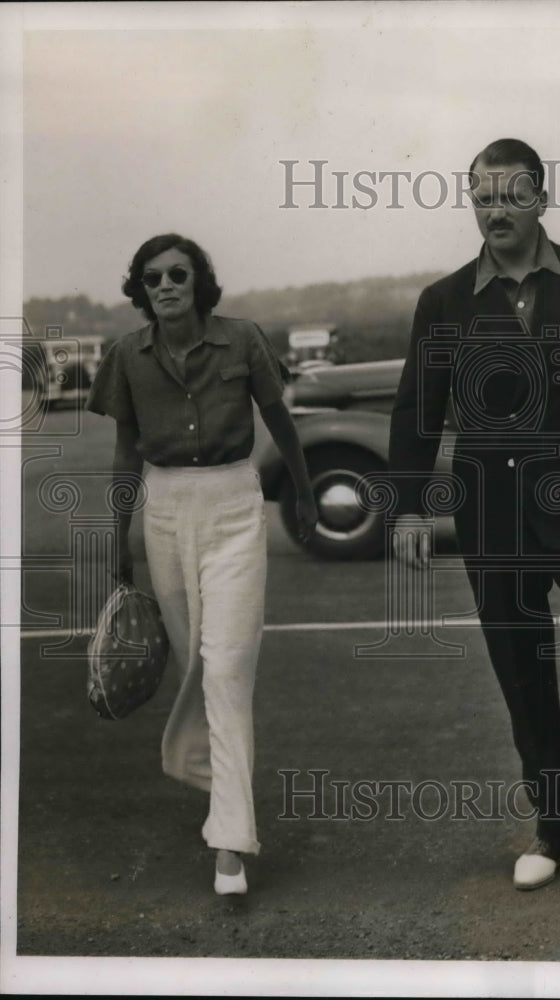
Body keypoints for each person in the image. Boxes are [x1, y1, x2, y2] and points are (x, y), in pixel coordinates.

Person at [388, 139, 560, 903]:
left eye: (510, 193)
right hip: (490, 510)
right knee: (521, 672)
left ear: (541, 199)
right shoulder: (444, 301)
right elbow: (417, 408)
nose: (494, 207)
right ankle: (556, 821)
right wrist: (408, 505)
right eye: (481, 194)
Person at [86, 234, 318, 895]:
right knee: (199, 667)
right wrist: (116, 535)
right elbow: (126, 452)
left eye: (177, 273)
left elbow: (281, 418)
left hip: (233, 506)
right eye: (151, 277)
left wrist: (301, 493)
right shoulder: (127, 357)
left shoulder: (242, 339)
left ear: (198, 281)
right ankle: (208, 776)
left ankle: (230, 845)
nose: (165, 284)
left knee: (227, 668)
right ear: (141, 290)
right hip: (162, 510)